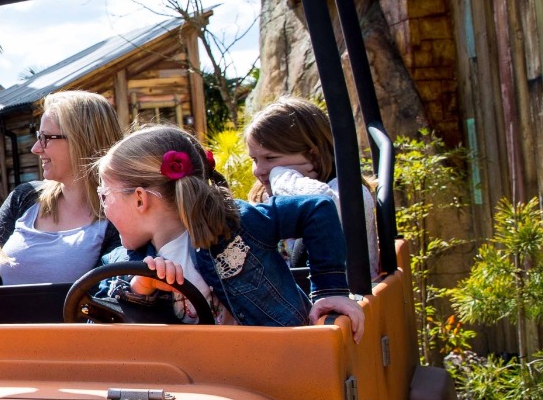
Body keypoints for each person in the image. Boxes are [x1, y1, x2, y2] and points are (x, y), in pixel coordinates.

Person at [93, 125, 365, 339]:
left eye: (104, 195)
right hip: (200, 391)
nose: (103, 207)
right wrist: (140, 289)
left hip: (281, 363)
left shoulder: (233, 224)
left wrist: (330, 291)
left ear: (140, 199)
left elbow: (316, 208)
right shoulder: (121, 265)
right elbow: (103, 327)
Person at [0, 90, 124, 285]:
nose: (35, 148)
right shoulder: (24, 198)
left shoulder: (119, 217)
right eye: (38, 136)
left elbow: (111, 295)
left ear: (81, 140)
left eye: (45, 138)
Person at [244, 96, 381, 279]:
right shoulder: (267, 197)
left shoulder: (352, 194)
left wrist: (281, 178)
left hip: (347, 300)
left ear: (313, 155)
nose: (258, 171)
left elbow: (327, 209)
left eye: (270, 158)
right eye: (254, 160)